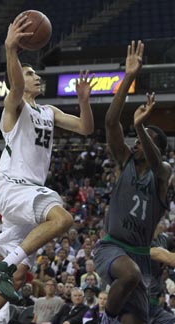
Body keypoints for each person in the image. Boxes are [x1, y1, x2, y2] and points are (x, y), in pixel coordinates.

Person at [0, 13, 96, 324]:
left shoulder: (49, 110)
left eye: (36, 73)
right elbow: (14, 86)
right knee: (63, 217)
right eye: (30, 73)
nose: (36, 76)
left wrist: (83, 100)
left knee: (15, 280)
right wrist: (11, 50)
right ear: (19, 79)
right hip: (14, 186)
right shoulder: (15, 107)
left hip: (25, 194)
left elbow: (85, 127)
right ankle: (2, 265)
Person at [93, 40, 171, 324]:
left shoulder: (162, 174)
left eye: (143, 141)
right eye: (137, 140)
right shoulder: (124, 161)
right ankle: (105, 319)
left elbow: (156, 161)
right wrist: (128, 78)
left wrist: (141, 127)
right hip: (112, 246)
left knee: (135, 318)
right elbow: (111, 123)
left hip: (140, 256)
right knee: (130, 275)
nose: (136, 144)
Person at [149, 221, 175, 323]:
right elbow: (171, 260)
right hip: (143, 299)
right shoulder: (143, 242)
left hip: (157, 299)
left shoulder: (164, 238)